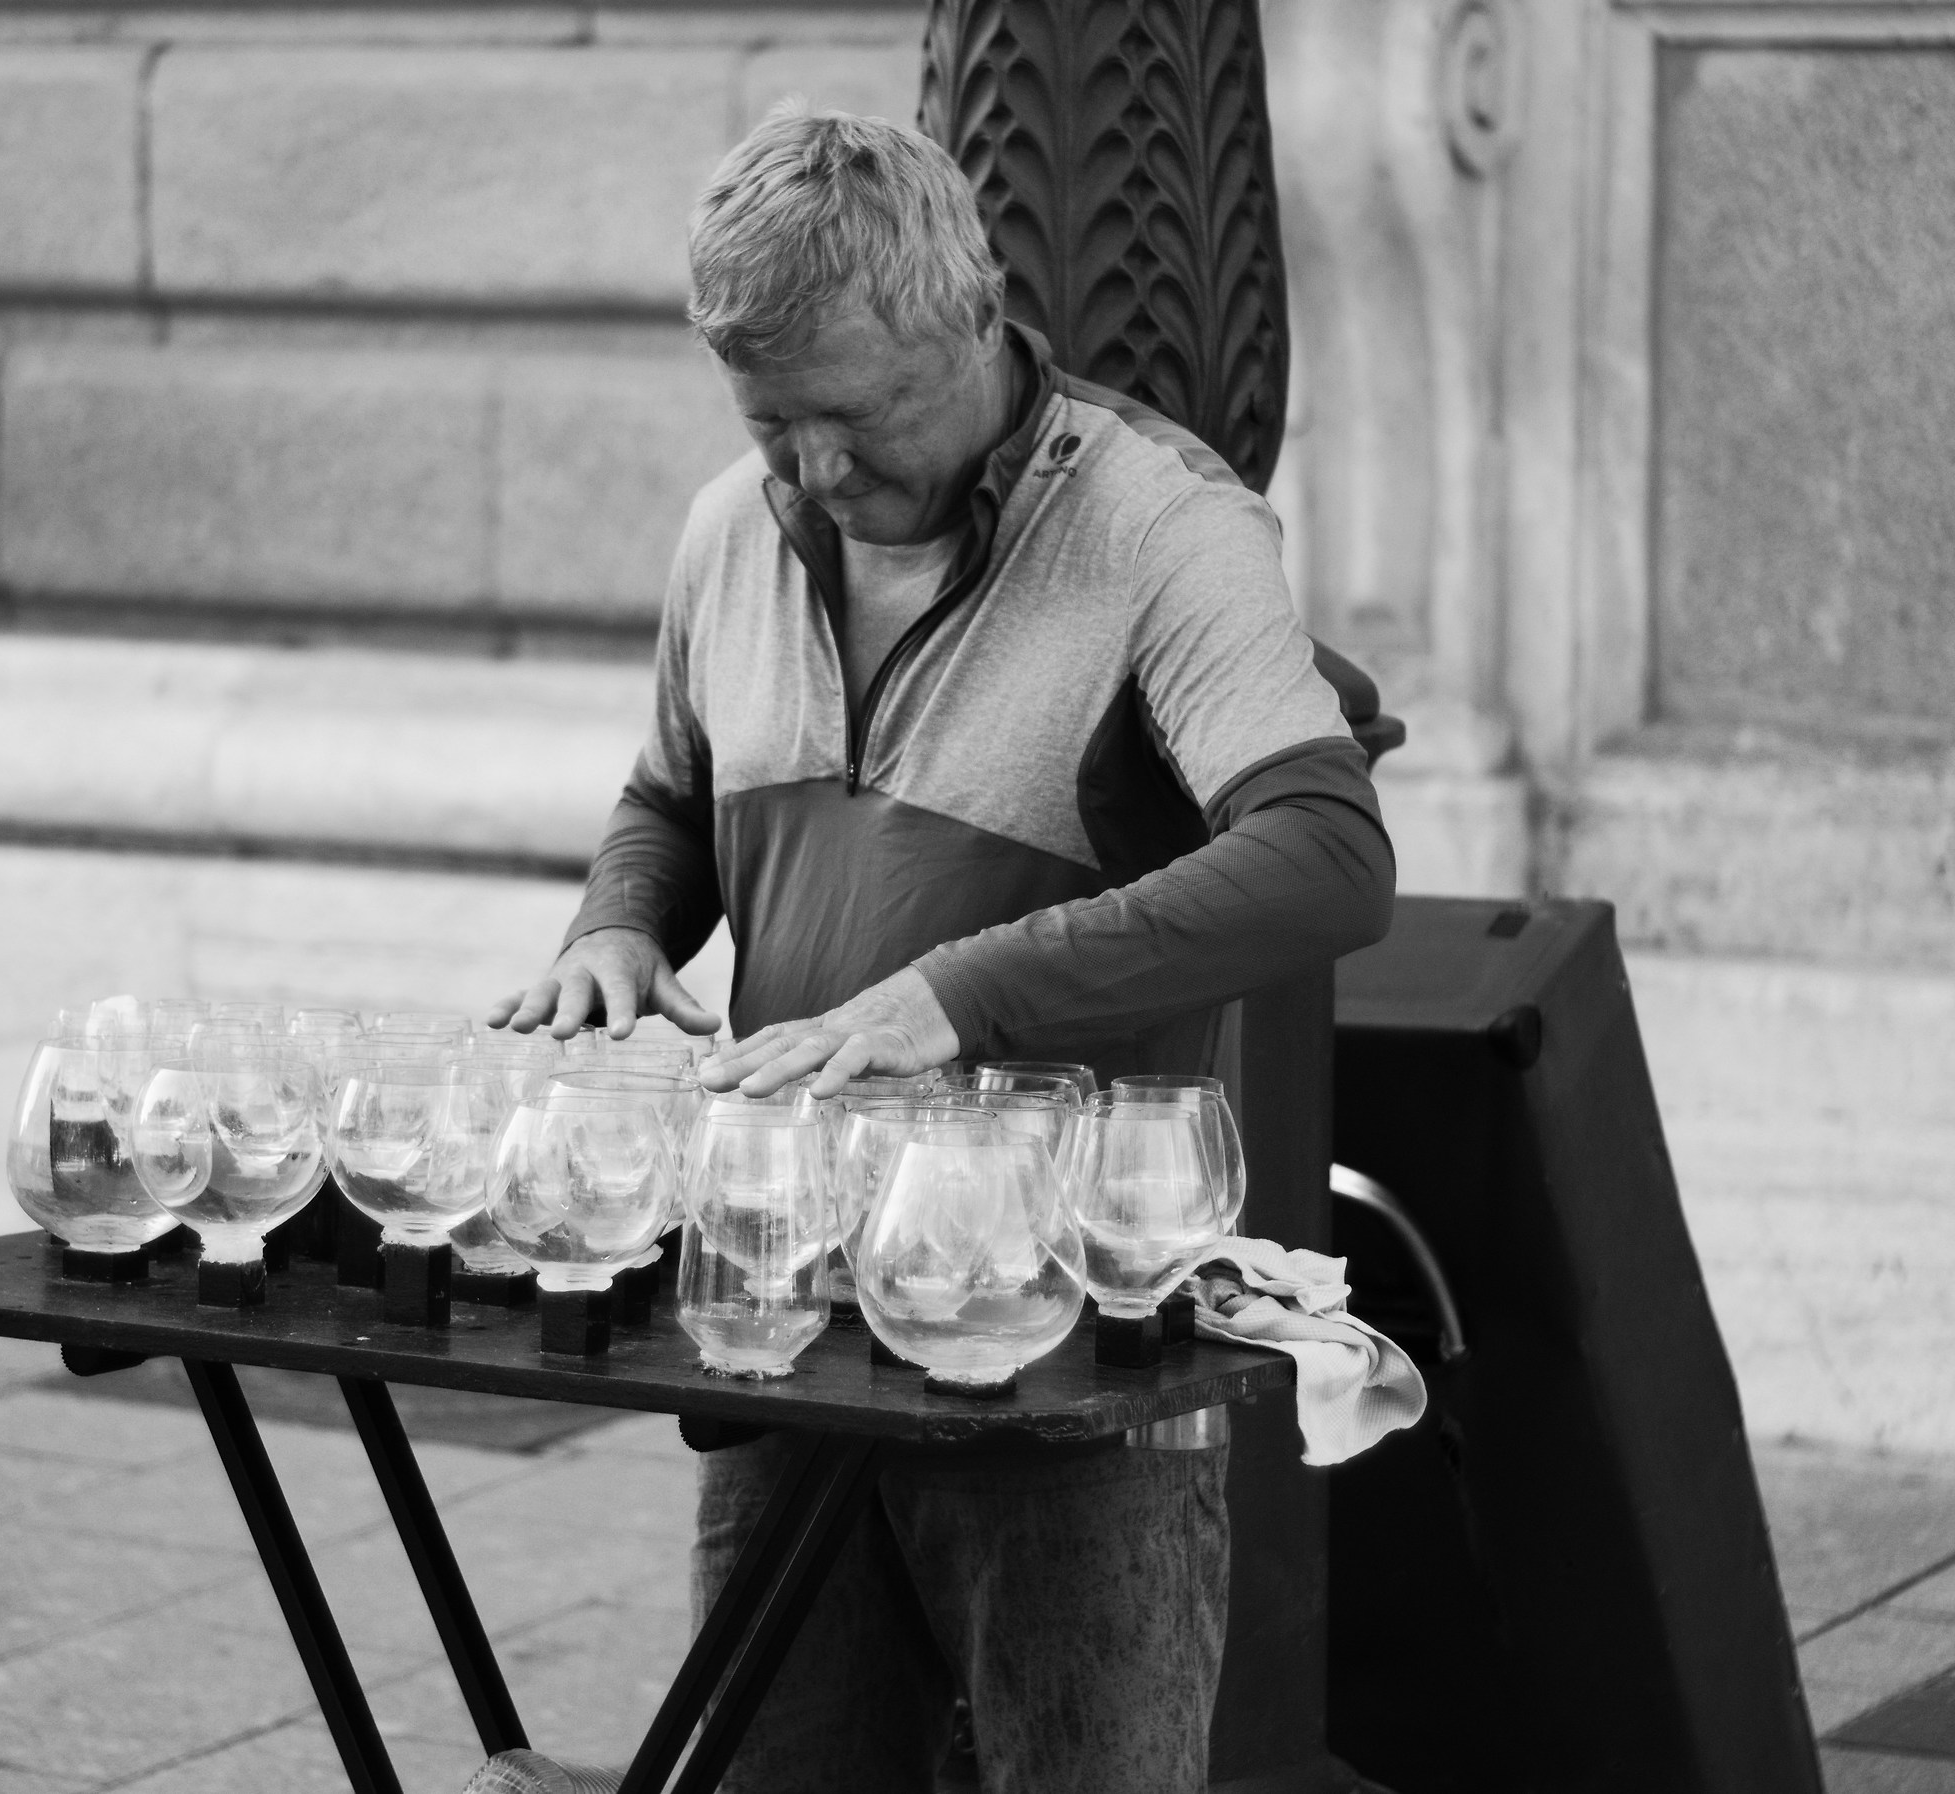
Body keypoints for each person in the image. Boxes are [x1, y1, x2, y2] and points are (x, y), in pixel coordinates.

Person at [489, 105, 1395, 1794]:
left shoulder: (1163, 527)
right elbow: (669, 797)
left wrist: (953, 997)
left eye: (856, 417)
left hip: (1060, 1347)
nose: (819, 474)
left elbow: (1329, 862)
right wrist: (617, 925)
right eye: (773, 425)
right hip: (782, 1303)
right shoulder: (726, 529)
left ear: (971, 315)